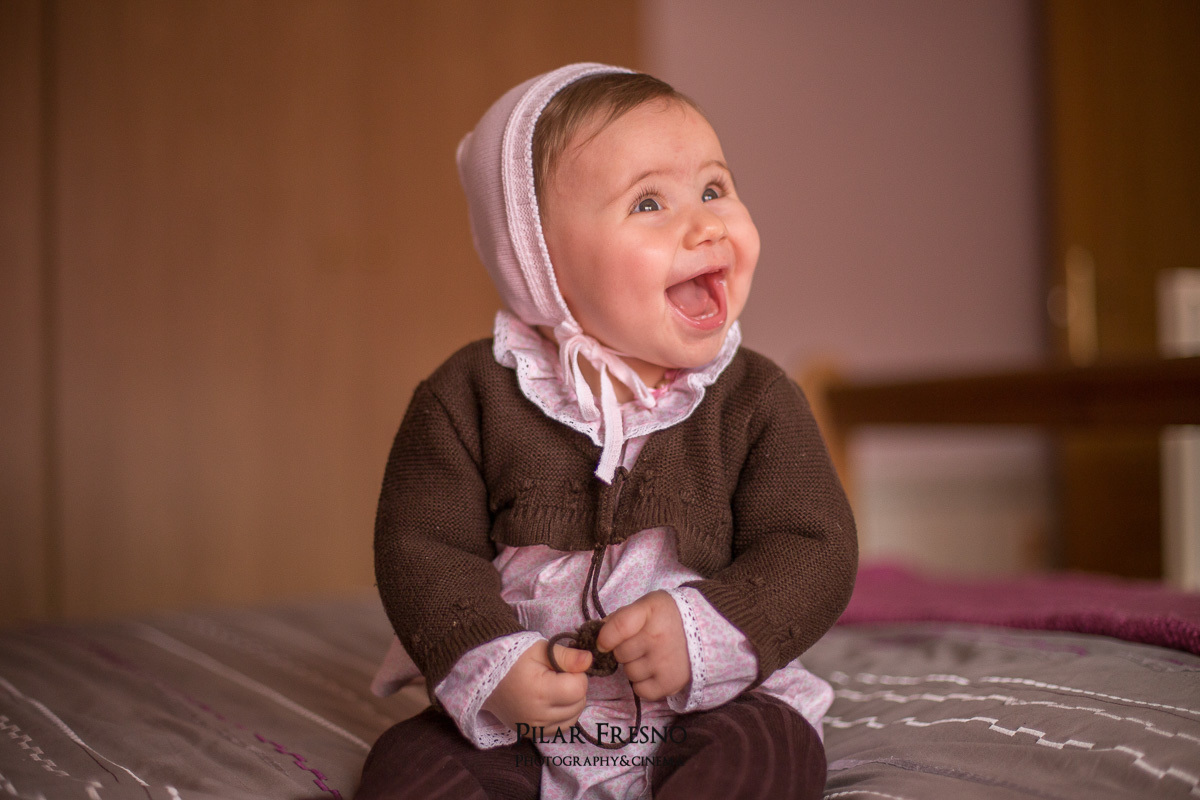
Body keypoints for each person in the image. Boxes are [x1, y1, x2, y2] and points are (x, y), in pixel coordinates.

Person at [358, 62, 857, 800]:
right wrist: (495, 663)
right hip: (526, 721)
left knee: (772, 747)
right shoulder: (469, 396)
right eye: (649, 202)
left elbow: (814, 546)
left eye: (714, 189)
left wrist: (707, 630)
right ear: (538, 258)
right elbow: (421, 549)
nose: (706, 224)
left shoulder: (755, 398)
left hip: (709, 703)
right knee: (409, 764)